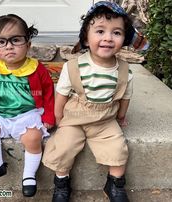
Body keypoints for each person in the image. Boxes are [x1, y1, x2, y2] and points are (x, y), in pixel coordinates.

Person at [42, 1, 148, 202]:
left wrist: (121, 116)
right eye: (100, 31)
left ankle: (115, 184)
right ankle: (62, 183)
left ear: (124, 38)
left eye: (116, 33)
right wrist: (58, 118)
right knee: (63, 146)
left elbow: (125, 96)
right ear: (85, 37)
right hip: (74, 119)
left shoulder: (124, 70)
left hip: (104, 120)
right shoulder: (73, 67)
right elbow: (62, 95)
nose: (108, 38)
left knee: (117, 147)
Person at [0, 14, 55, 198]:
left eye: (16, 40)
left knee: (33, 138)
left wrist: (49, 116)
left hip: (27, 114)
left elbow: (49, 93)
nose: (9, 46)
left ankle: (29, 175)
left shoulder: (37, 69)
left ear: (28, 44)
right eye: (1, 42)